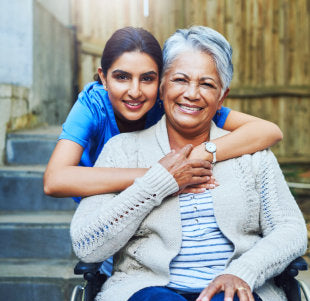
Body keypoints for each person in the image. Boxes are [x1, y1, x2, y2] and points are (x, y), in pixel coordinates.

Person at [70, 26, 307, 301]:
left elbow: (291, 230)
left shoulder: (253, 155)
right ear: (162, 87)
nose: (191, 94)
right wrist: (159, 182)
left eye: (207, 84)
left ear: (222, 96)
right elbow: (86, 246)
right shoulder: (121, 150)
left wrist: (244, 272)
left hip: (241, 288)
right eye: (180, 80)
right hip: (143, 289)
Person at [44, 26, 283, 201]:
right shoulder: (93, 104)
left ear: (160, 83)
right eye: (122, 77)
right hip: (104, 204)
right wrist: (160, 174)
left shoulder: (173, 103)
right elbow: (55, 180)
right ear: (103, 77)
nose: (135, 91)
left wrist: (200, 154)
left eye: (147, 78)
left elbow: (268, 130)